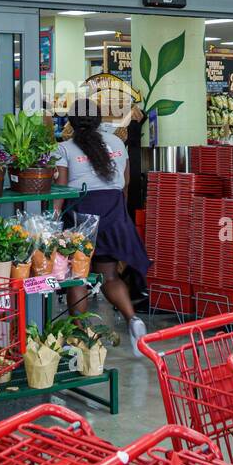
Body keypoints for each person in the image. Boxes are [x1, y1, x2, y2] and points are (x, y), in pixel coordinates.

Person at [53, 98, 151, 355]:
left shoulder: (64, 148)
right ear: (97, 120)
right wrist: (120, 217)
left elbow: (61, 190)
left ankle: (81, 336)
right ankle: (133, 319)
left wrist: (52, 221)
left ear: (70, 123)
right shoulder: (117, 143)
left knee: (78, 276)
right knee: (109, 275)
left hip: (82, 214)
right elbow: (126, 183)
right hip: (113, 212)